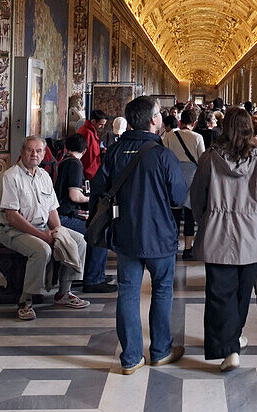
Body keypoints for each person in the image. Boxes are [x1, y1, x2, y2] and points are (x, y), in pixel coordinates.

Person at [91, 96, 188, 374]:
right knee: (161, 292)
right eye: (158, 114)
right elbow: (179, 196)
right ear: (153, 120)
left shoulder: (114, 152)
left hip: (126, 235)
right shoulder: (163, 155)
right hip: (160, 237)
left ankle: (131, 357)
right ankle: (160, 350)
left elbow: (99, 189)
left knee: (129, 294)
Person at [191, 106, 257, 371]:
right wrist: (255, 205)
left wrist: (204, 220)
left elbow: (197, 196)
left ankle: (228, 346)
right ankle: (232, 340)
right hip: (251, 233)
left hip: (217, 232)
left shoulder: (209, 158)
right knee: (243, 292)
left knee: (220, 292)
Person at [0, 135, 90, 321]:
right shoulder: (11, 177)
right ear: (22, 152)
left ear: (44, 153)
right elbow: (12, 216)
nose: (34, 154)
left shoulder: (43, 175)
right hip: (12, 231)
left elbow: (51, 209)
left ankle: (64, 293)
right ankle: (26, 301)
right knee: (42, 250)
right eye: (30, 150)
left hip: (41, 226)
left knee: (78, 240)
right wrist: (42, 236)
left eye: (39, 151)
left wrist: (59, 232)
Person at [54, 134, 117, 293]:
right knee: (99, 233)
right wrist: (90, 200)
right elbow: (74, 195)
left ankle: (90, 274)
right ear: (86, 149)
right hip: (64, 217)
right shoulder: (75, 164)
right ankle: (93, 279)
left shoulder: (64, 161)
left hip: (61, 214)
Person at [162, 105, 205, 260]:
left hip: (174, 176)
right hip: (192, 178)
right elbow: (202, 160)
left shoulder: (169, 136)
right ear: (193, 123)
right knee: (189, 215)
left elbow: (164, 158)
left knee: (173, 214)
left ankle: (172, 246)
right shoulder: (197, 137)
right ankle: (187, 249)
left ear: (180, 122)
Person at [77, 109, 107, 180]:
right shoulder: (87, 133)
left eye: (104, 125)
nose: (102, 127)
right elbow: (88, 157)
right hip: (88, 173)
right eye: (101, 124)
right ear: (93, 121)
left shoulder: (91, 132)